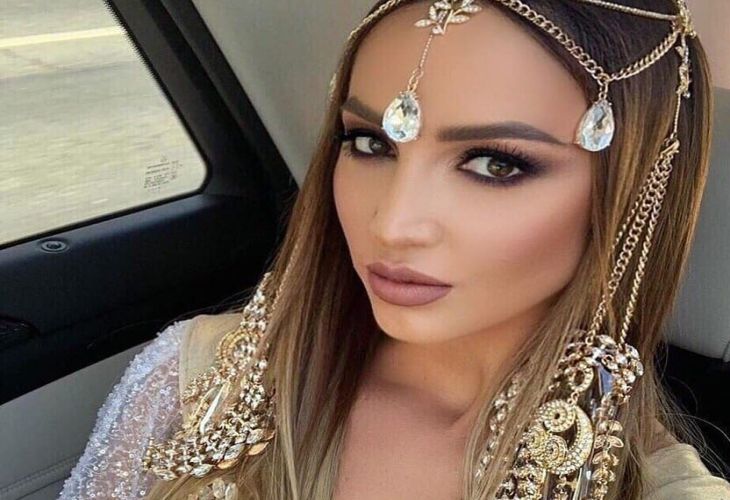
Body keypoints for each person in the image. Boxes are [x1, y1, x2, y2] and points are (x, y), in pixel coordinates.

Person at [60, 0, 730, 498]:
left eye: (495, 164)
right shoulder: (194, 379)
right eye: (370, 143)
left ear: (633, 194)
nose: (393, 222)